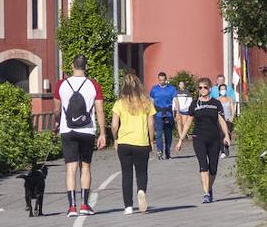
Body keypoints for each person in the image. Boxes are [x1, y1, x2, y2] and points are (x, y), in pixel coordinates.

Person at [56, 54, 107, 217]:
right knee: (85, 166)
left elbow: (56, 110)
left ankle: (72, 207)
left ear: (72, 66)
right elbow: (99, 110)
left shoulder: (61, 85)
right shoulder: (94, 85)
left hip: (67, 130)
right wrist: (102, 133)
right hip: (87, 130)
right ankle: (85, 205)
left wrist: (57, 122)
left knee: (70, 168)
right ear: (86, 66)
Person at [175, 76, 230, 203]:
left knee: (213, 168)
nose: (202, 90)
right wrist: (180, 139)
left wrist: (226, 135)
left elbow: (221, 121)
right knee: (203, 165)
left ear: (210, 88)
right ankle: (206, 193)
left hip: (214, 138)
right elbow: (188, 123)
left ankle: (209, 189)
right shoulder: (194, 104)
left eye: (205, 87)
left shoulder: (216, 103)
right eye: (200, 88)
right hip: (199, 138)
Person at [110, 74, 156, 214]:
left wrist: (116, 138)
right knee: (142, 172)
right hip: (141, 142)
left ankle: (128, 206)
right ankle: (141, 190)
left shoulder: (119, 103)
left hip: (124, 142)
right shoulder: (147, 102)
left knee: (126, 173)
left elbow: (113, 125)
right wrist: (151, 140)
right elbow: (151, 123)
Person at [148, 71, 177, 161]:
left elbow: (175, 102)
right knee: (159, 134)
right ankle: (159, 151)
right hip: (158, 115)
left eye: (163, 80)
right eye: (160, 80)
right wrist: (151, 113)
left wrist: (175, 113)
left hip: (168, 114)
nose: (161, 82)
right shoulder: (154, 89)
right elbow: (151, 102)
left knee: (168, 135)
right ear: (158, 80)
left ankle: (167, 152)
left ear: (166, 80)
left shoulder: (171, 89)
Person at [216, 82, 237, 158]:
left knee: (228, 134)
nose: (223, 90)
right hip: (220, 120)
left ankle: (226, 147)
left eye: (224, 89)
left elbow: (233, 109)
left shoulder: (230, 99)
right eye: (221, 89)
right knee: (221, 135)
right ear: (219, 91)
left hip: (228, 120)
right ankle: (222, 151)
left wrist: (232, 117)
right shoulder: (217, 100)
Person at [172, 80, 194, 150]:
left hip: (185, 110)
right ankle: (181, 136)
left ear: (184, 85)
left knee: (185, 123)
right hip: (178, 110)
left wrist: (187, 108)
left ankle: (183, 136)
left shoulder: (187, 92)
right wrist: (174, 110)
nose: (181, 85)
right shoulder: (176, 92)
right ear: (178, 85)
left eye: (182, 84)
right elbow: (174, 101)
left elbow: (190, 101)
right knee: (179, 123)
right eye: (180, 84)